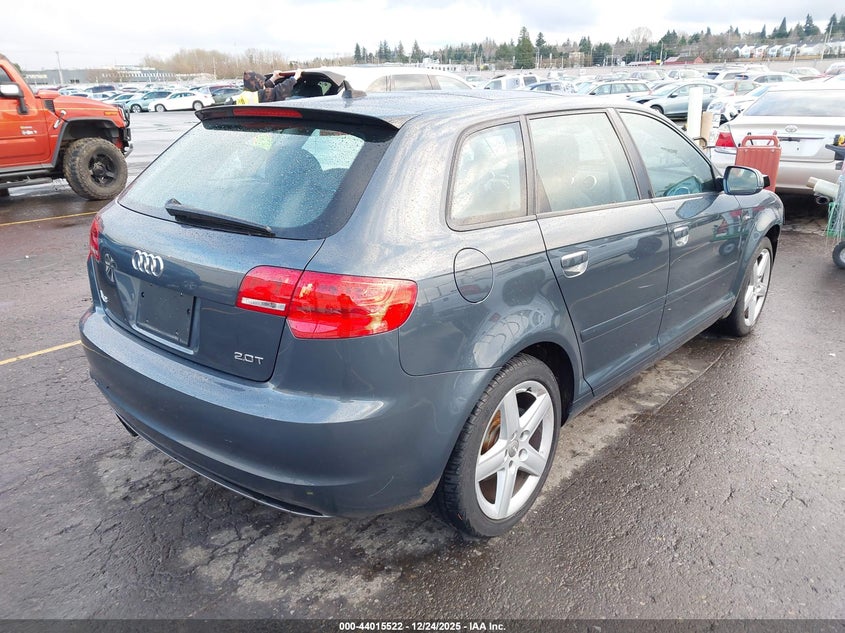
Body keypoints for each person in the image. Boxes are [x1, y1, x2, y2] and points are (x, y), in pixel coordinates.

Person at [235, 69, 302, 104]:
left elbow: (263, 88)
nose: (262, 84)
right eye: (261, 82)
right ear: (255, 83)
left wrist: (274, 78)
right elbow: (278, 91)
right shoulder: (258, 96)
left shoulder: (245, 94)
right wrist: (295, 78)